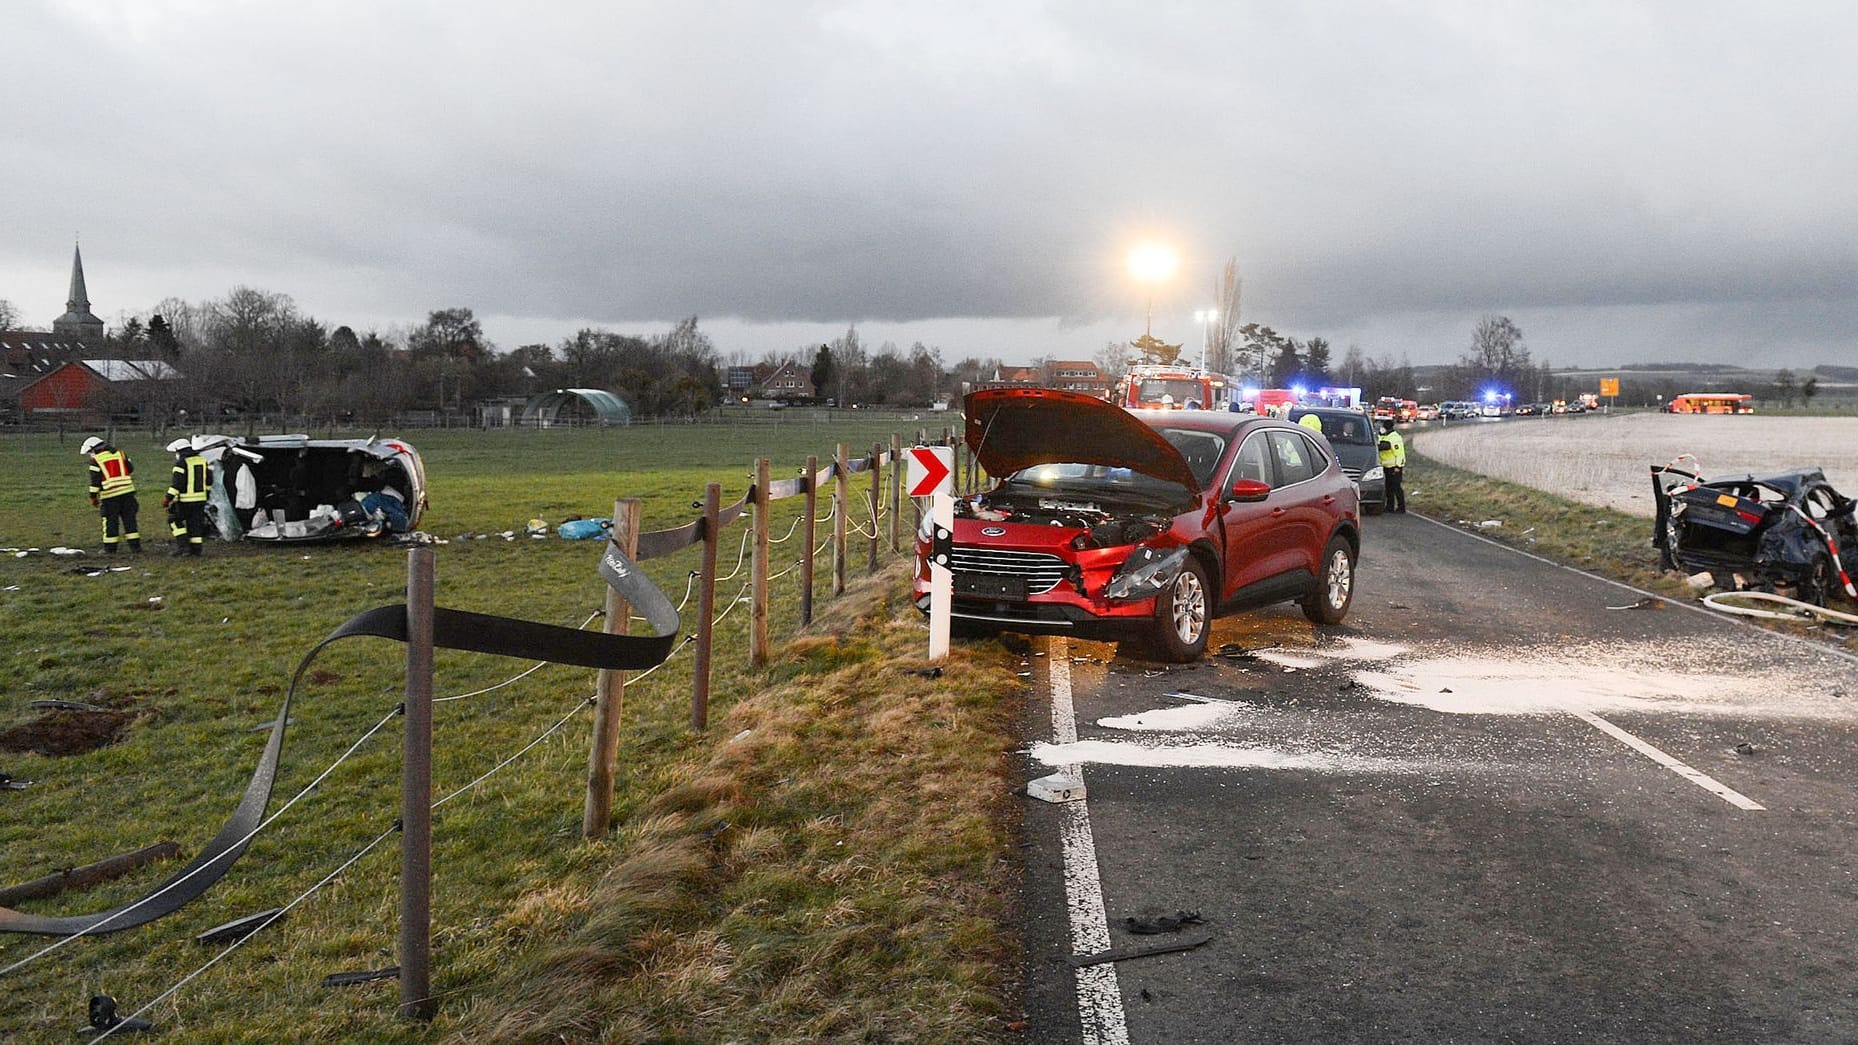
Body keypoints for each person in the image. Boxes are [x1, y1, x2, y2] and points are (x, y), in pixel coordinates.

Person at [81, 436, 142, 554]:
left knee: (110, 523)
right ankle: (135, 547)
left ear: (94, 449)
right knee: (130, 521)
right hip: (128, 494)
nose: (90, 455)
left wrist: (93, 497)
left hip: (109, 496)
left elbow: (95, 481)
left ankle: (110, 549)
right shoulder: (120, 454)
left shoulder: (96, 460)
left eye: (90, 452)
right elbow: (130, 469)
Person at [162, 437, 213, 556]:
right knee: (195, 524)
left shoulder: (181, 463)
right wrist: (206, 495)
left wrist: (167, 499)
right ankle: (196, 550)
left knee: (173, 520)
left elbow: (177, 484)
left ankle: (183, 547)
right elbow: (209, 480)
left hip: (185, 501)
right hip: (201, 500)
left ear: (179, 451)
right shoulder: (202, 460)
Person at [1377, 418, 1407, 513]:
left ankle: (1401, 507)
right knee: (1388, 488)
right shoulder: (1383, 436)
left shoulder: (1395, 437)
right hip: (1385, 466)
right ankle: (1390, 506)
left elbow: (1400, 453)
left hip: (1394, 466)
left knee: (1396, 487)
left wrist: (1398, 466)